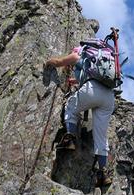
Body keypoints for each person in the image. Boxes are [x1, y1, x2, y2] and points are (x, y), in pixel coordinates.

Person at [46, 46, 115, 187]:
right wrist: (74, 81)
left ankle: (70, 138)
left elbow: (58, 62)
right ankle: (103, 173)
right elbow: (90, 79)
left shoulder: (78, 56)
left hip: (91, 90)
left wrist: (47, 62)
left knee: (71, 107)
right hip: (109, 97)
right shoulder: (99, 63)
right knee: (101, 137)